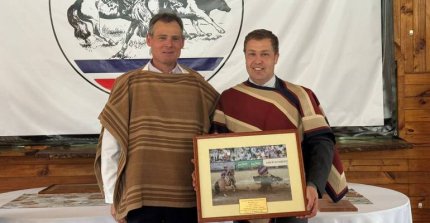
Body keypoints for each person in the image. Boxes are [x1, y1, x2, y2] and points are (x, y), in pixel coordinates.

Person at [94, 12, 219, 223]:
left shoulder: (197, 86)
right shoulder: (128, 84)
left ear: (183, 43)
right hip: (139, 196)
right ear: (149, 40)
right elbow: (111, 145)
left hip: (187, 197)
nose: (169, 44)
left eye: (175, 38)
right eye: (162, 37)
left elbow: (215, 140)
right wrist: (112, 196)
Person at [211, 29, 335, 223]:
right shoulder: (228, 99)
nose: (258, 61)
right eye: (252, 54)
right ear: (245, 56)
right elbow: (215, 150)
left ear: (276, 57)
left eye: (265, 54)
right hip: (245, 204)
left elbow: (322, 144)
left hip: (293, 204)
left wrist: (313, 185)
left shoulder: (301, 97)